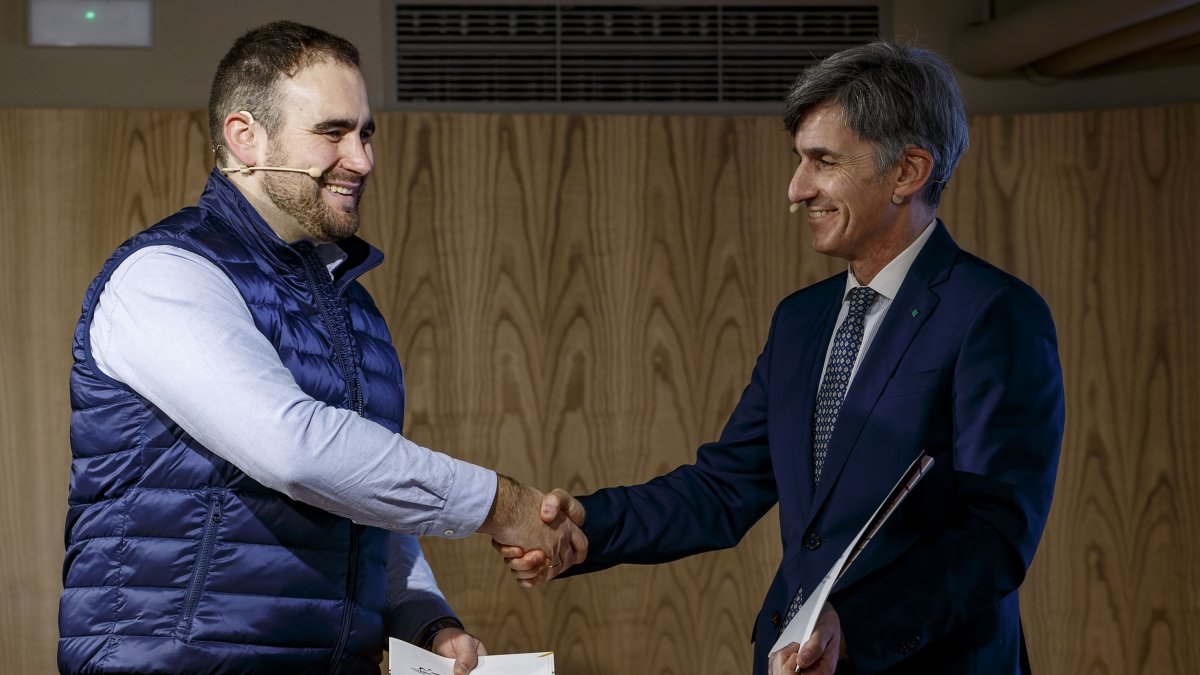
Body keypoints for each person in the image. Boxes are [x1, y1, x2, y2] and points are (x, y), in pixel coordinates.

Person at [499, 41, 1065, 675]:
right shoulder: (800, 320)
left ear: (908, 171)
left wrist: (853, 628)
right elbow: (723, 488)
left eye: (822, 161)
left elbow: (994, 538)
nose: (796, 190)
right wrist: (586, 525)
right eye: (799, 161)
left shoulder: (995, 313)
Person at [59, 20, 583, 675]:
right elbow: (298, 450)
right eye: (332, 132)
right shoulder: (165, 275)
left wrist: (425, 616)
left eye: (365, 133)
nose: (362, 159)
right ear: (245, 138)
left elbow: (357, 489)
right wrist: (502, 506)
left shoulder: (351, 305)